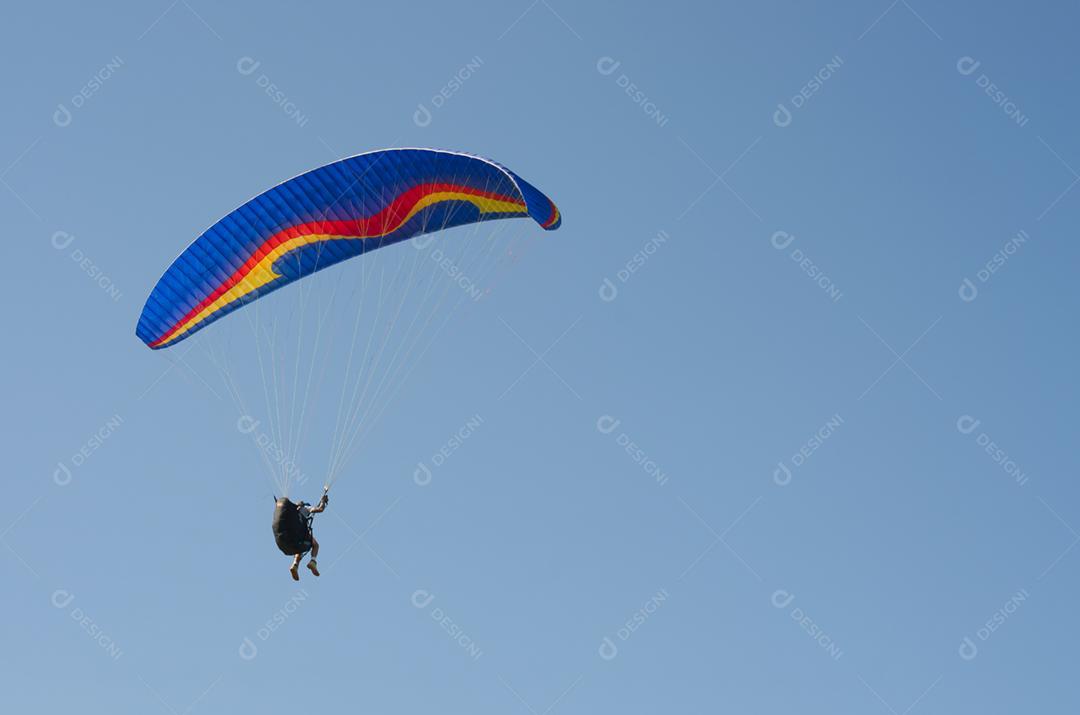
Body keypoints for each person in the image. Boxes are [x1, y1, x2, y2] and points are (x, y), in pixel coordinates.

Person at [272, 489, 328, 581]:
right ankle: (313, 561)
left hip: (291, 538)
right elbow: (320, 509)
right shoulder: (306, 508)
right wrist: (323, 502)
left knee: (299, 546)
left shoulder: (291, 510)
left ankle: (295, 564)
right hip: (299, 535)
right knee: (315, 545)